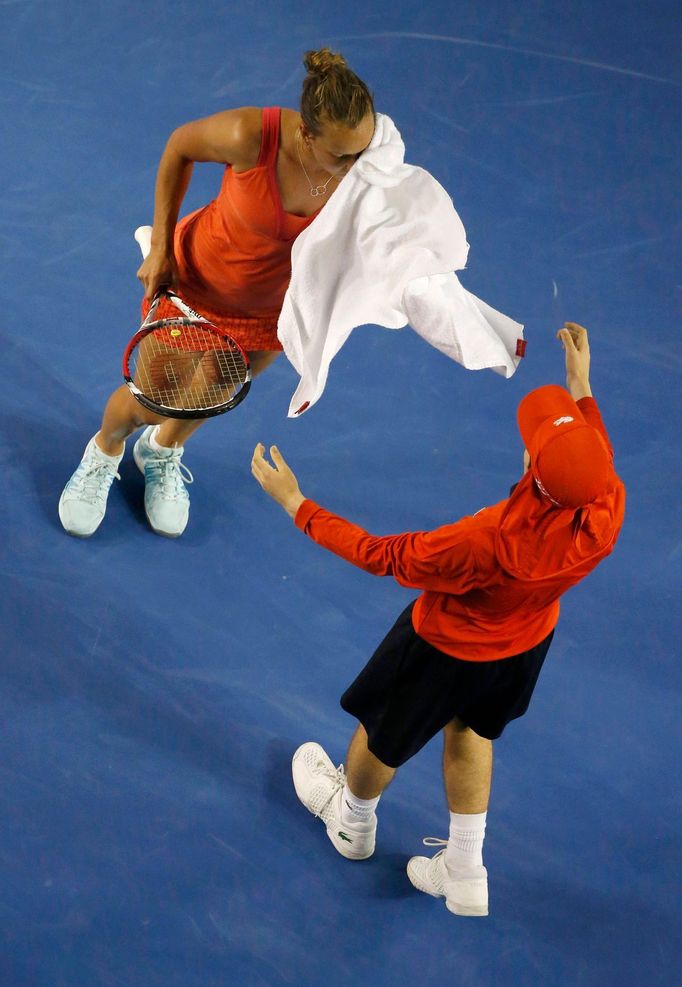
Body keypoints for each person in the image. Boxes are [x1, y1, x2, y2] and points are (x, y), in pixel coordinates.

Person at [251, 322, 625, 917]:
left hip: (440, 650)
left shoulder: (482, 542)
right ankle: (465, 868)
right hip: (523, 648)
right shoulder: (605, 505)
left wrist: (298, 505)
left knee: (384, 732)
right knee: (472, 729)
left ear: (531, 463)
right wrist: (579, 385)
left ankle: (351, 823)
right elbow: (593, 455)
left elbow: (381, 555)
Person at [58, 48, 375, 539]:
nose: (358, 166)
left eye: (363, 151)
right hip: (196, 289)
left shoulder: (367, 164)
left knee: (210, 395)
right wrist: (160, 247)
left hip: (272, 311)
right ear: (306, 135)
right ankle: (104, 451)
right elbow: (178, 148)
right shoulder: (253, 135)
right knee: (151, 399)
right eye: (342, 155)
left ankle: (160, 451)